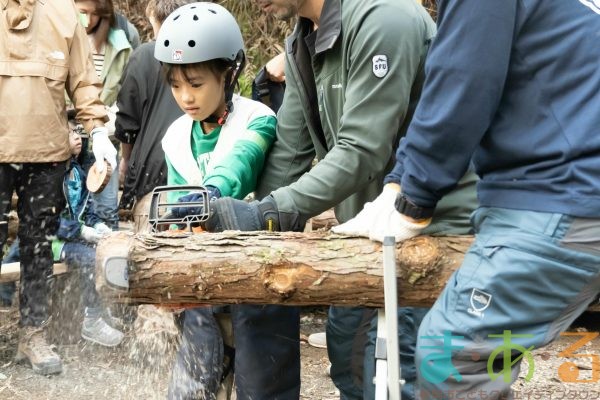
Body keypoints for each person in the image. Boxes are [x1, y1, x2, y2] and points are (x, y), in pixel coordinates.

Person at [201, 0, 477, 399]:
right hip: (364, 241)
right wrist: (242, 222)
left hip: (432, 237)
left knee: (397, 380)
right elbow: (288, 156)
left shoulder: (385, 18)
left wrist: (269, 212)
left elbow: (362, 150)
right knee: (349, 366)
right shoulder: (302, 39)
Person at [334, 0, 600, 399]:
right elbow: (450, 80)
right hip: (563, 190)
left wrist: (415, 200)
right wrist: (397, 184)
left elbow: (464, 81)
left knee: (452, 356)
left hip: (561, 196)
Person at [152, 3, 278, 399]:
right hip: (203, 283)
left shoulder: (257, 118)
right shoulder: (175, 136)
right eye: (175, 85)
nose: (185, 96)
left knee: (260, 384)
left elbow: (240, 164)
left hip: (256, 275)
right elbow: (173, 205)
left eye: (195, 82)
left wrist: (207, 195)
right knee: (191, 387)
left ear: (228, 73)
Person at [0, 0, 116, 375]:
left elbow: (83, 80)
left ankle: (33, 333)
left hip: (48, 152)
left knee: (37, 245)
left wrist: (98, 129)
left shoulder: (64, 12)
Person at [2, 133, 124, 347]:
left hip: (73, 236)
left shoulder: (79, 171)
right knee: (90, 259)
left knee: (108, 252)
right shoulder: (49, 177)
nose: (77, 138)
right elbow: (47, 220)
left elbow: (88, 210)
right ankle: (92, 320)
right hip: (52, 240)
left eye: (79, 132)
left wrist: (97, 225)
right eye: (70, 134)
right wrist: (82, 231)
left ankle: (102, 310)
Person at [115, 0, 192, 233]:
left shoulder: (146, 55)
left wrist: (126, 162)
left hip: (154, 175)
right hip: (198, 175)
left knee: (149, 255)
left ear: (155, 19)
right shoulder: (209, 55)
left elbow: (128, 121)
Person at [75, 0, 133, 231]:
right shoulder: (59, 35)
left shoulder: (122, 42)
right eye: (82, 13)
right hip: (65, 138)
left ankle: (108, 265)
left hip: (105, 136)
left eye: (95, 14)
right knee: (63, 209)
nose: (88, 20)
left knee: (106, 212)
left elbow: (128, 92)